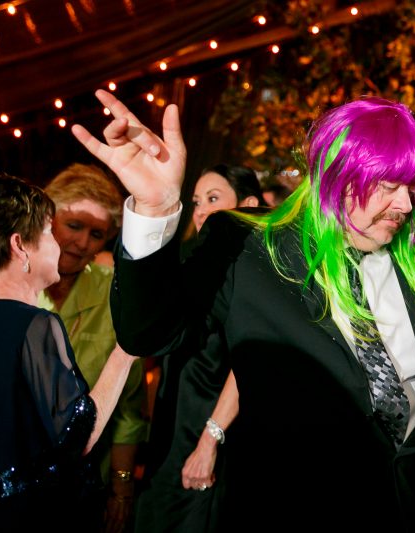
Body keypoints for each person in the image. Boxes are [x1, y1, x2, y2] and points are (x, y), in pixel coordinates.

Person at [71, 89, 415, 532]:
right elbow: (150, 332)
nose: (405, 204)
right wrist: (154, 209)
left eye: (412, 188)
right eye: (388, 185)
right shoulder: (246, 247)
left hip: (413, 503)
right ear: (338, 176)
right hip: (295, 509)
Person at [0, 164, 148, 533]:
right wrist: (126, 350)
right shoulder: (35, 325)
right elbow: (78, 436)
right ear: (19, 246)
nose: (60, 243)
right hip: (16, 518)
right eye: (47, 232)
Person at [136, 163, 266, 533]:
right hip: (172, 431)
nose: (201, 210)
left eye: (213, 198)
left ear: (248, 205)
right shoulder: (192, 264)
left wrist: (210, 439)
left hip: (213, 433)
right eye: (196, 201)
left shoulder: (253, 273)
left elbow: (249, 364)